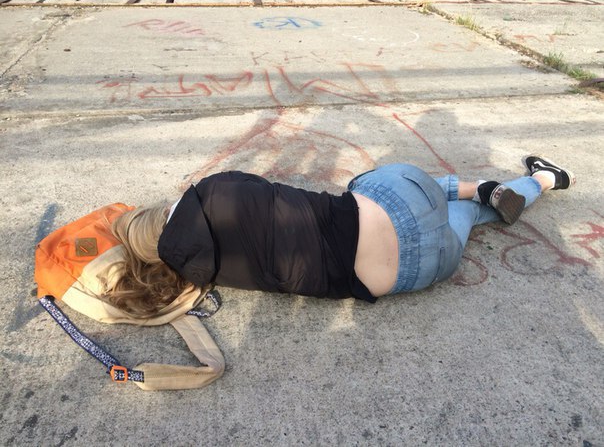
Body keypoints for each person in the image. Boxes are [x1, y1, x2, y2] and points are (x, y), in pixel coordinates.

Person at [105, 156, 575, 318]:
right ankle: (488, 186)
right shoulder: (213, 190)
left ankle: (538, 182)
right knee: (365, 184)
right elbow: (264, 190)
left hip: (420, 270)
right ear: (160, 213)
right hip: (401, 203)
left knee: (466, 218)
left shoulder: (199, 275)